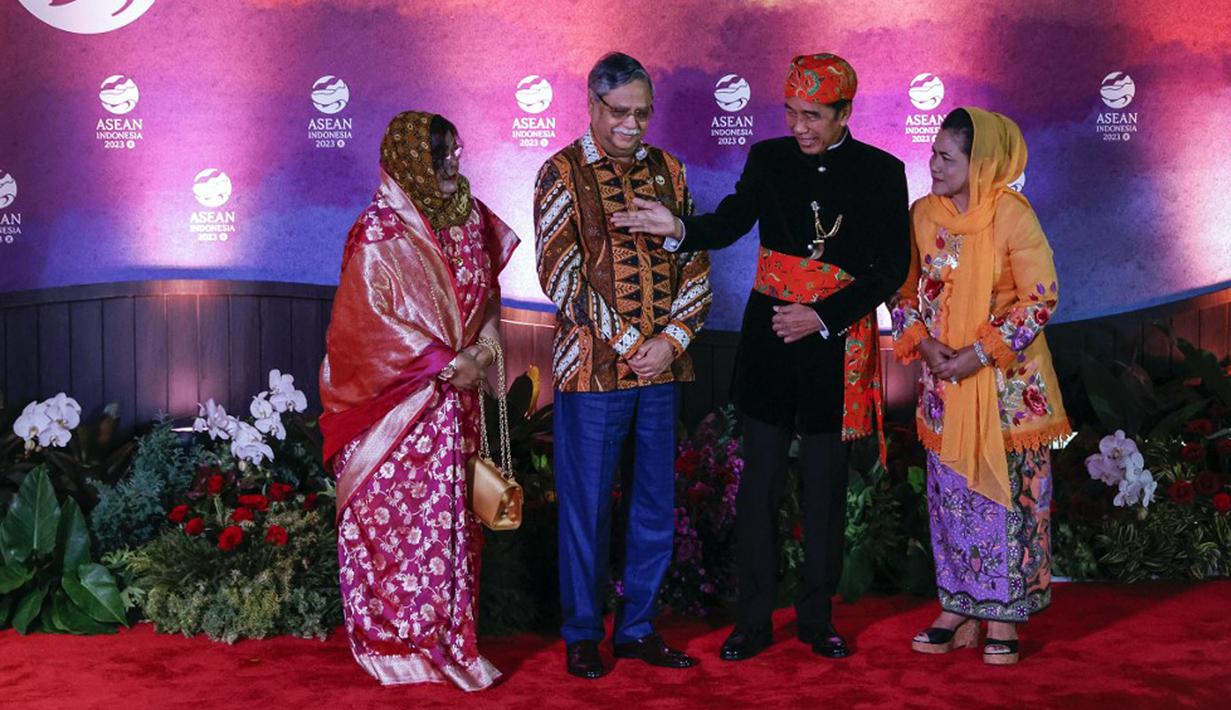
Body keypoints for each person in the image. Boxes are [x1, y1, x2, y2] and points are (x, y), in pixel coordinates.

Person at [616, 53, 909, 661]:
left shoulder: (883, 171)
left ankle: (816, 618)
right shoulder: (769, 159)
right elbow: (731, 221)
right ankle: (752, 620)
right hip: (770, 337)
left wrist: (823, 316)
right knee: (759, 488)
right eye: (791, 113)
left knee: (825, 488)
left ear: (844, 112)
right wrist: (677, 226)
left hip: (833, 345)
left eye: (813, 116)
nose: (799, 127)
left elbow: (890, 269)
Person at [318, 110, 519, 690]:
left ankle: (453, 639)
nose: (453, 164)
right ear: (411, 163)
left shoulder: (473, 220)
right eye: (439, 156)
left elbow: (488, 298)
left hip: (459, 408)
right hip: (396, 412)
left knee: (453, 527)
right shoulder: (377, 231)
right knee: (398, 531)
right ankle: (395, 643)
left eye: (455, 152)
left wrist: (479, 353)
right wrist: (446, 364)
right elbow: (366, 327)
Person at [534, 51, 712, 679]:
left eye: (643, 112)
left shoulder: (672, 170)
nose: (633, 125)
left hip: (663, 371)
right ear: (592, 105)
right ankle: (583, 632)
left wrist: (674, 340)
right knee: (585, 506)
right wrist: (632, 341)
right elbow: (558, 275)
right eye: (620, 112)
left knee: (654, 506)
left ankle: (636, 628)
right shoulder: (560, 172)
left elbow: (697, 264)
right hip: (589, 373)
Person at [890, 107, 1070, 665]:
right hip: (945, 385)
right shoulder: (923, 215)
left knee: (1009, 501)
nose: (933, 163)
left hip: (1007, 390)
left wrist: (978, 353)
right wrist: (921, 342)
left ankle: (1004, 615)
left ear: (982, 162)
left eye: (947, 156)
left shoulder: (1013, 215)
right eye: (934, 152)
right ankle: (958, 604)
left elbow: (1040, 297)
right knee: (953, 501)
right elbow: (902, 293)